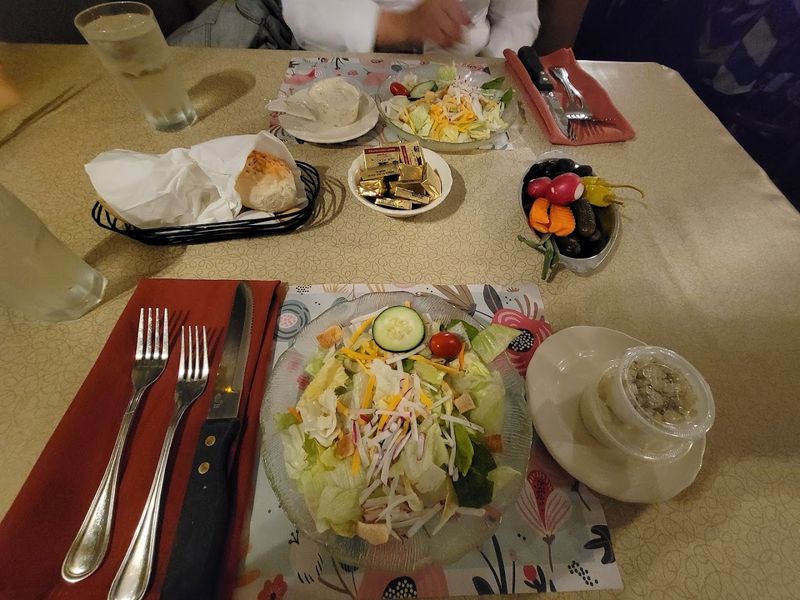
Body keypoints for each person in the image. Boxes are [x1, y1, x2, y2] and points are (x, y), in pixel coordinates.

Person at [282, 0, 540, 57]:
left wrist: (490, 68)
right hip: (343, 66)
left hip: (462, 79)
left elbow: (518, 17)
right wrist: (398, 24)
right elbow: (302, 9)